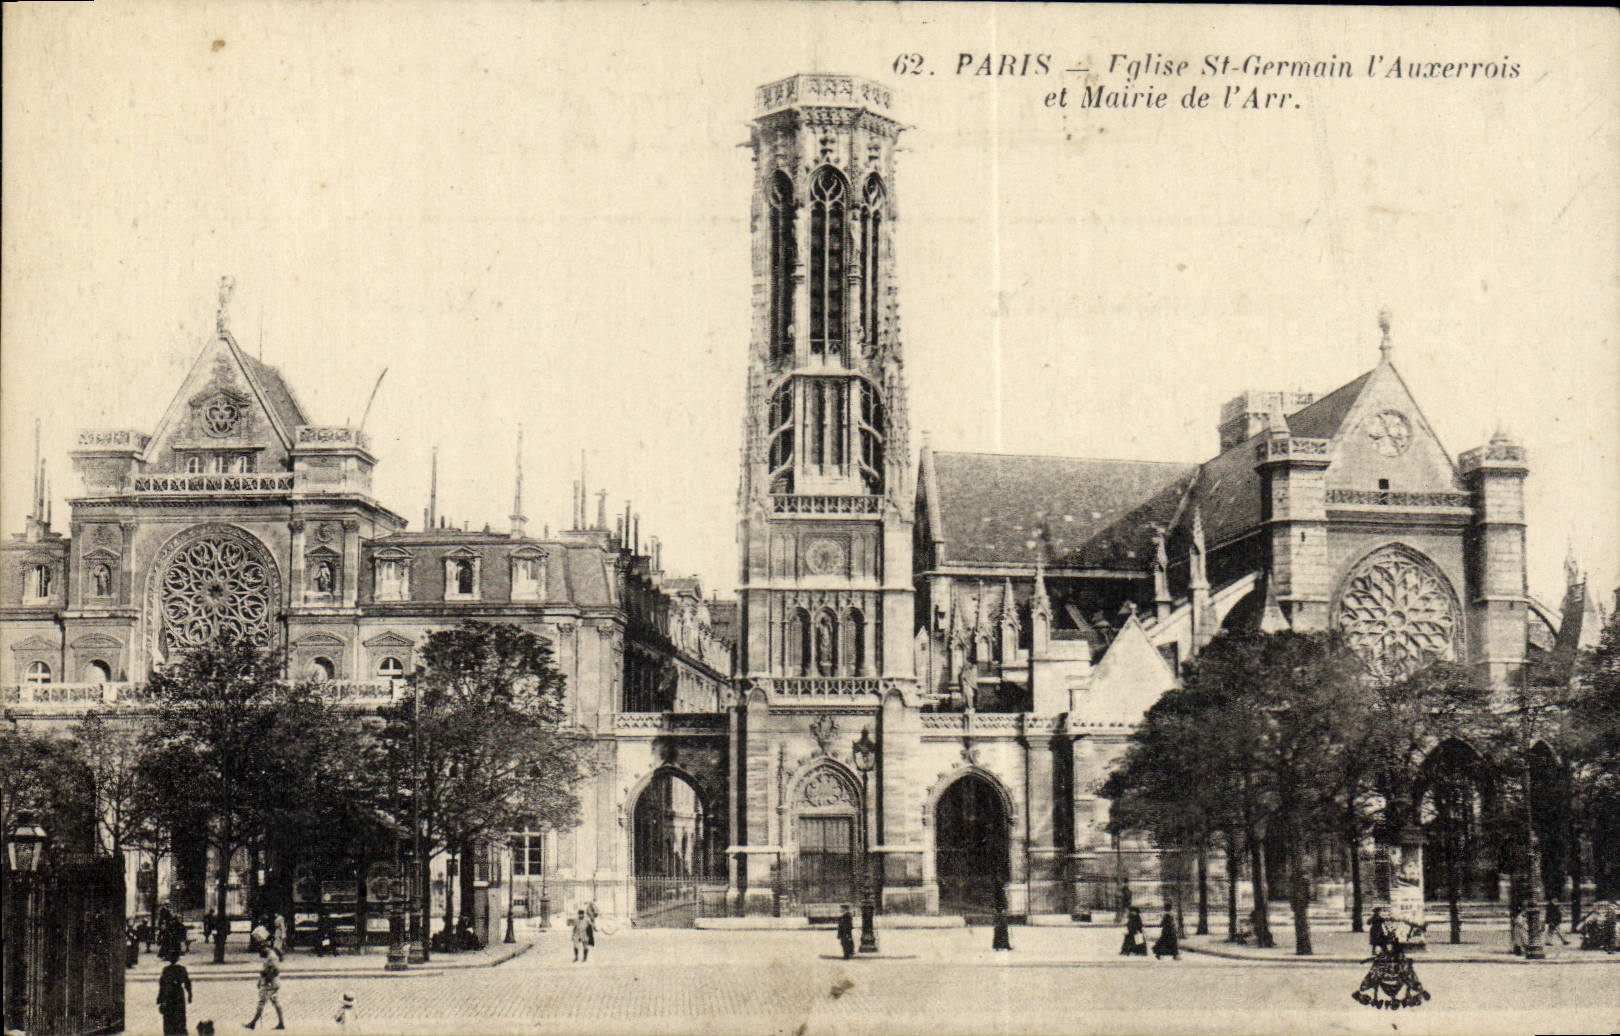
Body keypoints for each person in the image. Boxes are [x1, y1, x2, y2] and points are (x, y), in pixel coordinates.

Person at [243, 945, 284, 1030]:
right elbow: (267, 969)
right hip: (273, 984)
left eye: (260, 952)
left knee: (261, 1002)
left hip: (269, 984)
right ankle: (281, 1023)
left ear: (265, 949)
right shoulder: (271, 956)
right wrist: (260, 980)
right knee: (276, 1002)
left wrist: (266, 977)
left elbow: (275, 970)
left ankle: (253, 1023)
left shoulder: (272, 958)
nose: (260, 955)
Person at [157, 953, 193, 1036]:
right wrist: (190, 994)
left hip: (169, 993)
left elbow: (162, 985)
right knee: (179, 1014)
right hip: (178, 993)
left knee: (169, 1015)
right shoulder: (181, 969)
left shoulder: (166, 970)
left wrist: (160, 998)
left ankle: (171, 1031)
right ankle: (180, 1030)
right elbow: (187, 982)